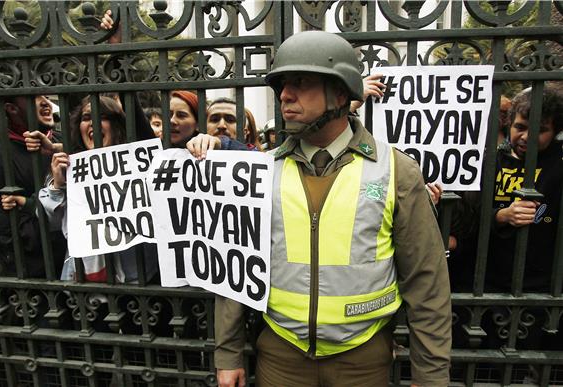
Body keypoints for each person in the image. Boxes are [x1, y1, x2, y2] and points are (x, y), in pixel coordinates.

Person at [192, 31, 452, 387]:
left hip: (363, 361)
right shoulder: (260, 171)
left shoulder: (396, 170)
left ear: (341, 93)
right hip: (281, 358)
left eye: (301, 82)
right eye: (283, 84)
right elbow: (235, 268)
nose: (285, 94)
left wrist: (431, 375)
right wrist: (228, 353)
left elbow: (427, 282)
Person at [34, 96, 158, 283]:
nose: (93, 123)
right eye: (86, 118)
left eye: (102, 117)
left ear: (118, 125)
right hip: (83, 286)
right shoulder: (68, 166)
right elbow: (47, 223)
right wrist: (57, 187)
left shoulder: (140, 165)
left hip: (137, 281)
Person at [486, 85, 563, 293]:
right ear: (509, 124)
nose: (527, 137)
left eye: (541, 130)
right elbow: (469, 217)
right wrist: (501, 215)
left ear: (555, 131)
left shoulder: (559, 163)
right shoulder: (491, 161)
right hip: (488, 282)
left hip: (546, 287)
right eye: (520, 127)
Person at [0, 95, 62, 277]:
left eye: (45, 95)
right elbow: (5, 233)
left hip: (75, 270)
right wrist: (60, 230)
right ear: (12, 109)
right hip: (34, 280)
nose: (45, 102)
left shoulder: (59, 141)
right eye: (35, 97)